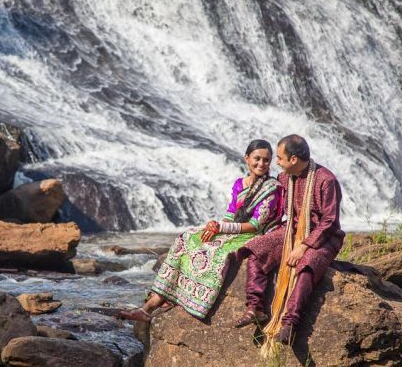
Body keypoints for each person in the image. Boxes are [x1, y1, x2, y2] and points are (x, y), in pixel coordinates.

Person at [119, 139, 283, 325]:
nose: (261, 164)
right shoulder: (240, 183)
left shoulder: (272, 189)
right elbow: (231, 213)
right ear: (247, 158)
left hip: (252, 235)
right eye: (257, 159)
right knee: (186, 237)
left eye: (266, 160)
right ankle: (149, 306)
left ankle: (188, 300)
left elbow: (255, 224)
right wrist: (216, 227)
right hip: (233, 230)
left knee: (212, 251)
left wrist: (222, 229)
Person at [239, 134, 344, 345]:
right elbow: (275, 210)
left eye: (279, 158)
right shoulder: (284, 178)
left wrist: (304, 246)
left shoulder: (326, 180)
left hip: (323, 238)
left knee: (306, 265)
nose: (275, 162)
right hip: (289, 231)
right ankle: (255, 308)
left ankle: (290, 323)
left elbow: (330, 221)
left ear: (293, 159)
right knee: (256, 248)